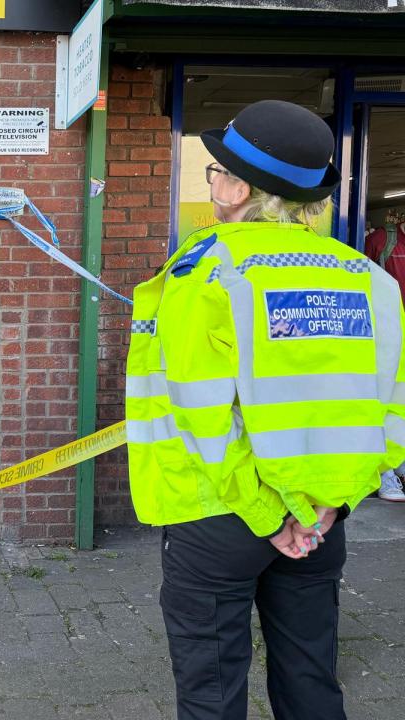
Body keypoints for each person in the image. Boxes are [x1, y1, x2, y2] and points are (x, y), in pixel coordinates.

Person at [125, 99, 405, 720]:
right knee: (311, 680)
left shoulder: (208, 272)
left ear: (239, 188)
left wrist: (267, 517)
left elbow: (200, 415)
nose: (212, 183)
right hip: (320, 519)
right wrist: (335, 505)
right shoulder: (371, 280)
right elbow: (391, 412)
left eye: (216, 171)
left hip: (220, 514)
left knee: (213, 691)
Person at [364, 217, 405, 501]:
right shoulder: (380, 240)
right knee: (382, 398)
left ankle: (398, 462)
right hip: (387, 332)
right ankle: (384, 472)